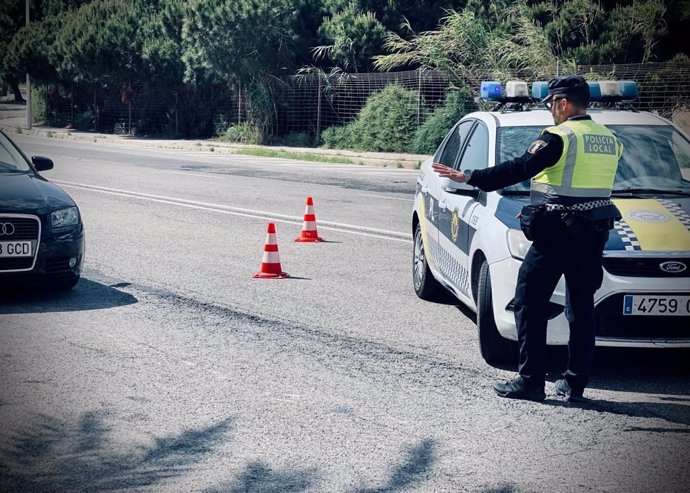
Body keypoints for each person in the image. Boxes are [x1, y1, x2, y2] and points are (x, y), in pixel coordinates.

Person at [432, 75, 623, 402]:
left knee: (529, 302)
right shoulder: (609, 139)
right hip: (594, 234)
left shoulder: (560, 137)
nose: (551, 110)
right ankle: (574, 385)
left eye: (551, 104)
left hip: (559, 234)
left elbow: (521, 167)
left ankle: (531, 381)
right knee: (581, 310)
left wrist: (471, 176)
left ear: (563, 103)